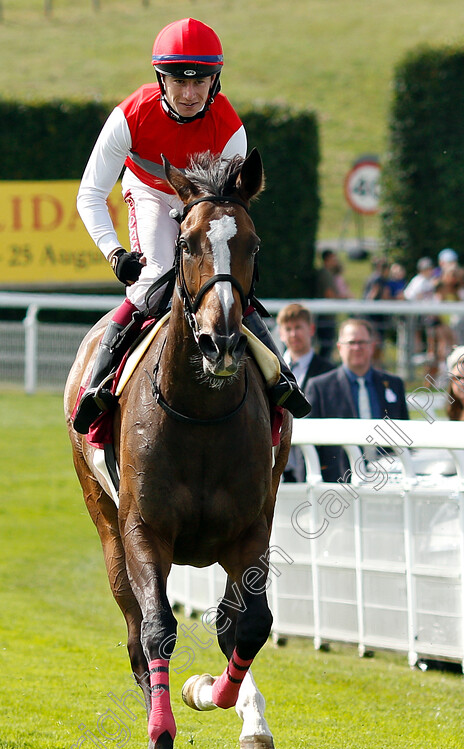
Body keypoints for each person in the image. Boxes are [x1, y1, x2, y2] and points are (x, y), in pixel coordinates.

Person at [73, 17, 309, 433]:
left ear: (214, 80)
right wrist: (114, 252)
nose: (189, 93)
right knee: (152, 284)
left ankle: (279, 378)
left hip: (204, 203)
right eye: (178, 81)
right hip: (150, 193)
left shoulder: (230, 129)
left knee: (226, 283)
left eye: (199, 81)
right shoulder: (129, 116)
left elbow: (230, 206)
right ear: (160, 79)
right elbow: (90, 193)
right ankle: (99, 384)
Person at [305, 319, 408, 482]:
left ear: (372, 346)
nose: (357, 348)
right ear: (339, 347)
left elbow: (405, 434)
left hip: (389, 481)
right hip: (338, 483)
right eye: (351, 342)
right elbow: (309, 439)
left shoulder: (394, 384)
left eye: (362, 342)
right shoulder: (319, 387)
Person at [276, 303, 336, 482]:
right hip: (275, 460)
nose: (293, 334)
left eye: (298, 328)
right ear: (280, 333)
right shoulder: (270, 367)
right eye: (288, 329)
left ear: (311, 329)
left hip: (314, 465)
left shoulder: (329, 372)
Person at [315, 249, 343, 358]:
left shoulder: (327, 273)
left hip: (326, 316)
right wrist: (344, 298)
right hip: (325, 317)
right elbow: (329, 294)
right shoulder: (325, 273)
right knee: (326, 347)